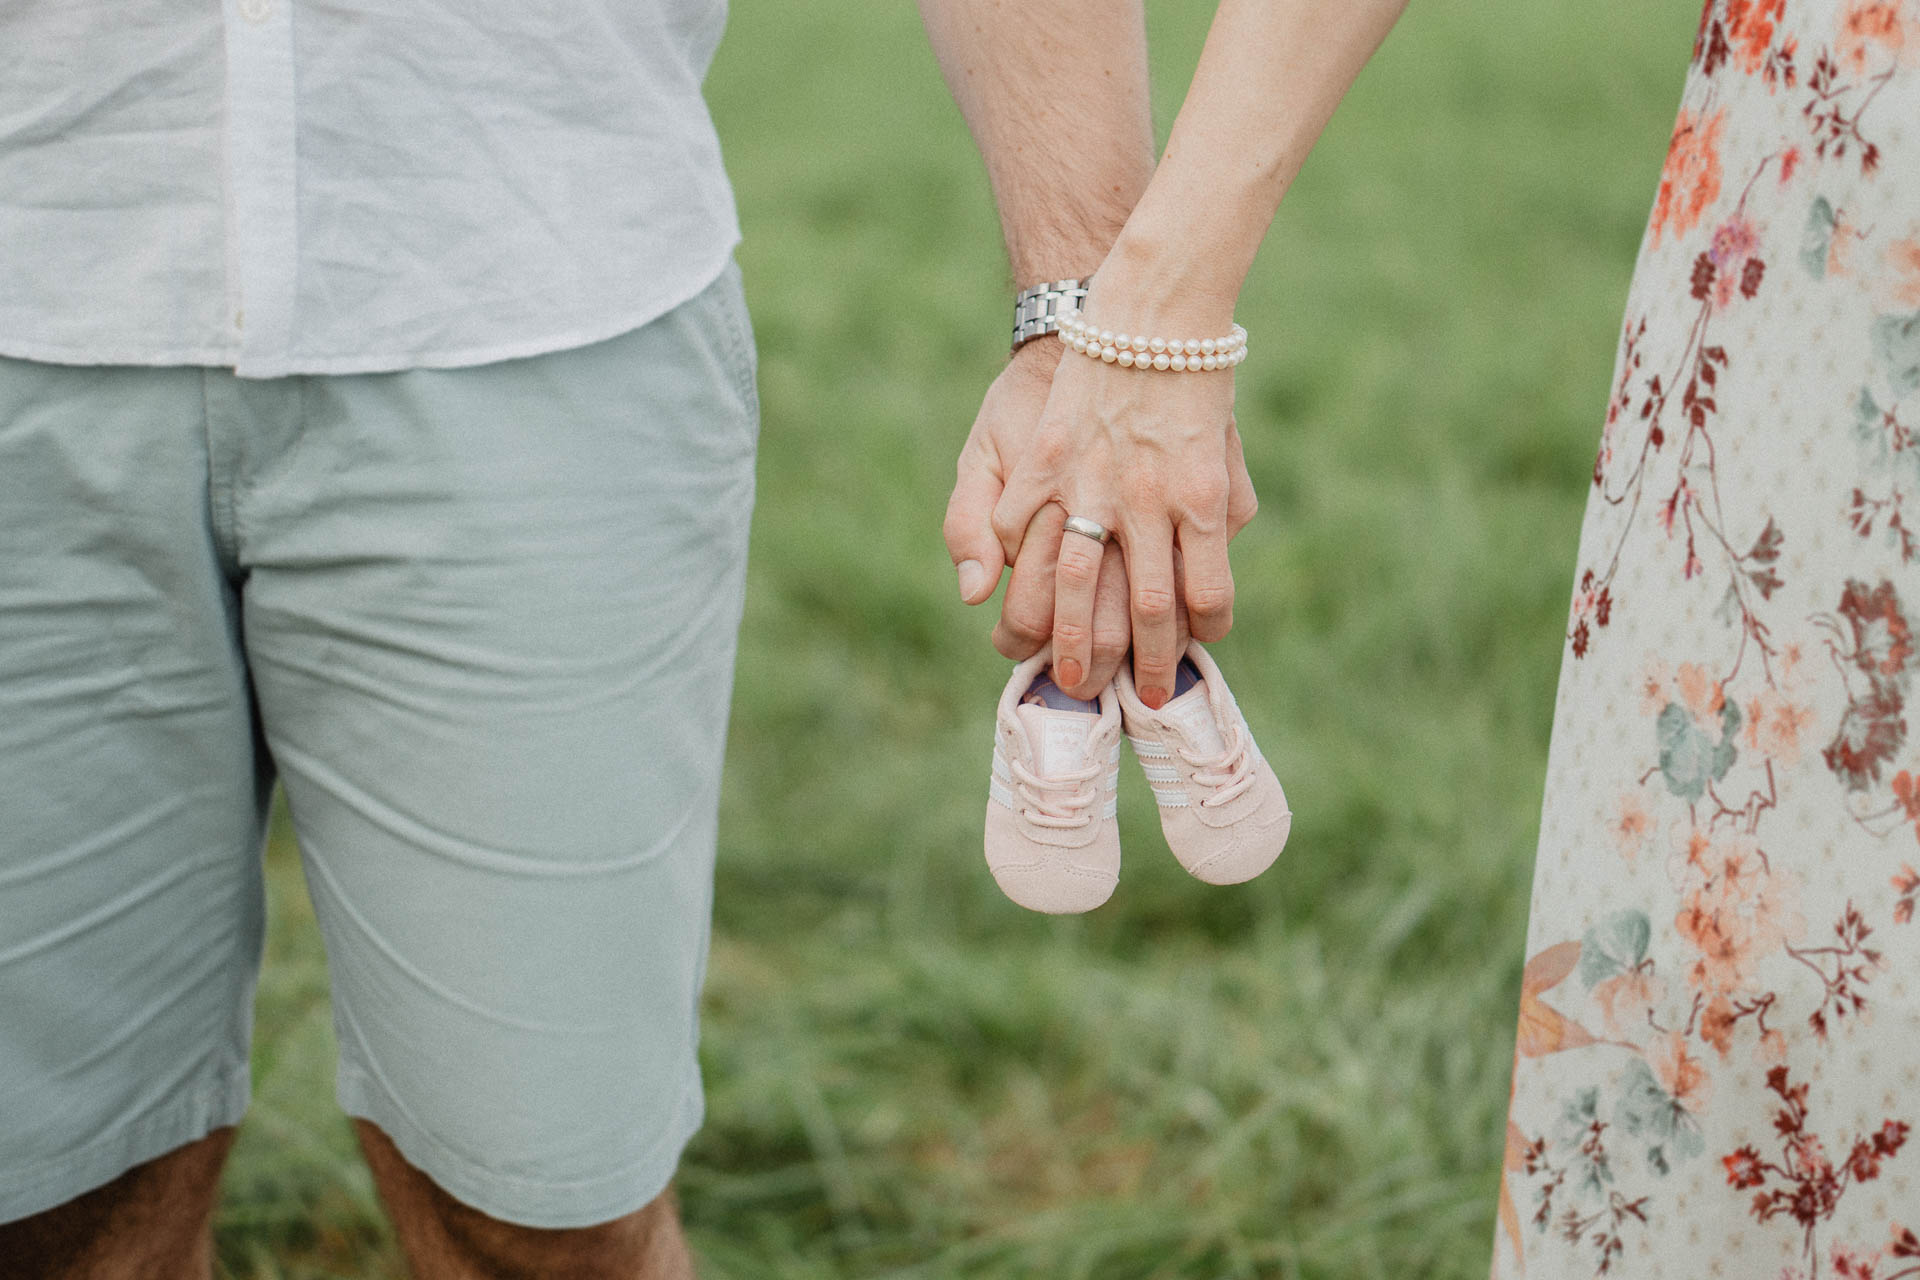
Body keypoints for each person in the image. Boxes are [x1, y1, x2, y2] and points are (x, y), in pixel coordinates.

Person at [0, 2, 1281, 1277]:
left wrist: (1084, 318)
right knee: (46, 1200)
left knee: (546, 1216)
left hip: (543, 283)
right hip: (30, 270)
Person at [942, 0, 1920, 1274]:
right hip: (1838, 179)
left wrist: (1150, 317)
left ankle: (1090, 681)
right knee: (1775, 971)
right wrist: (1127, 310)